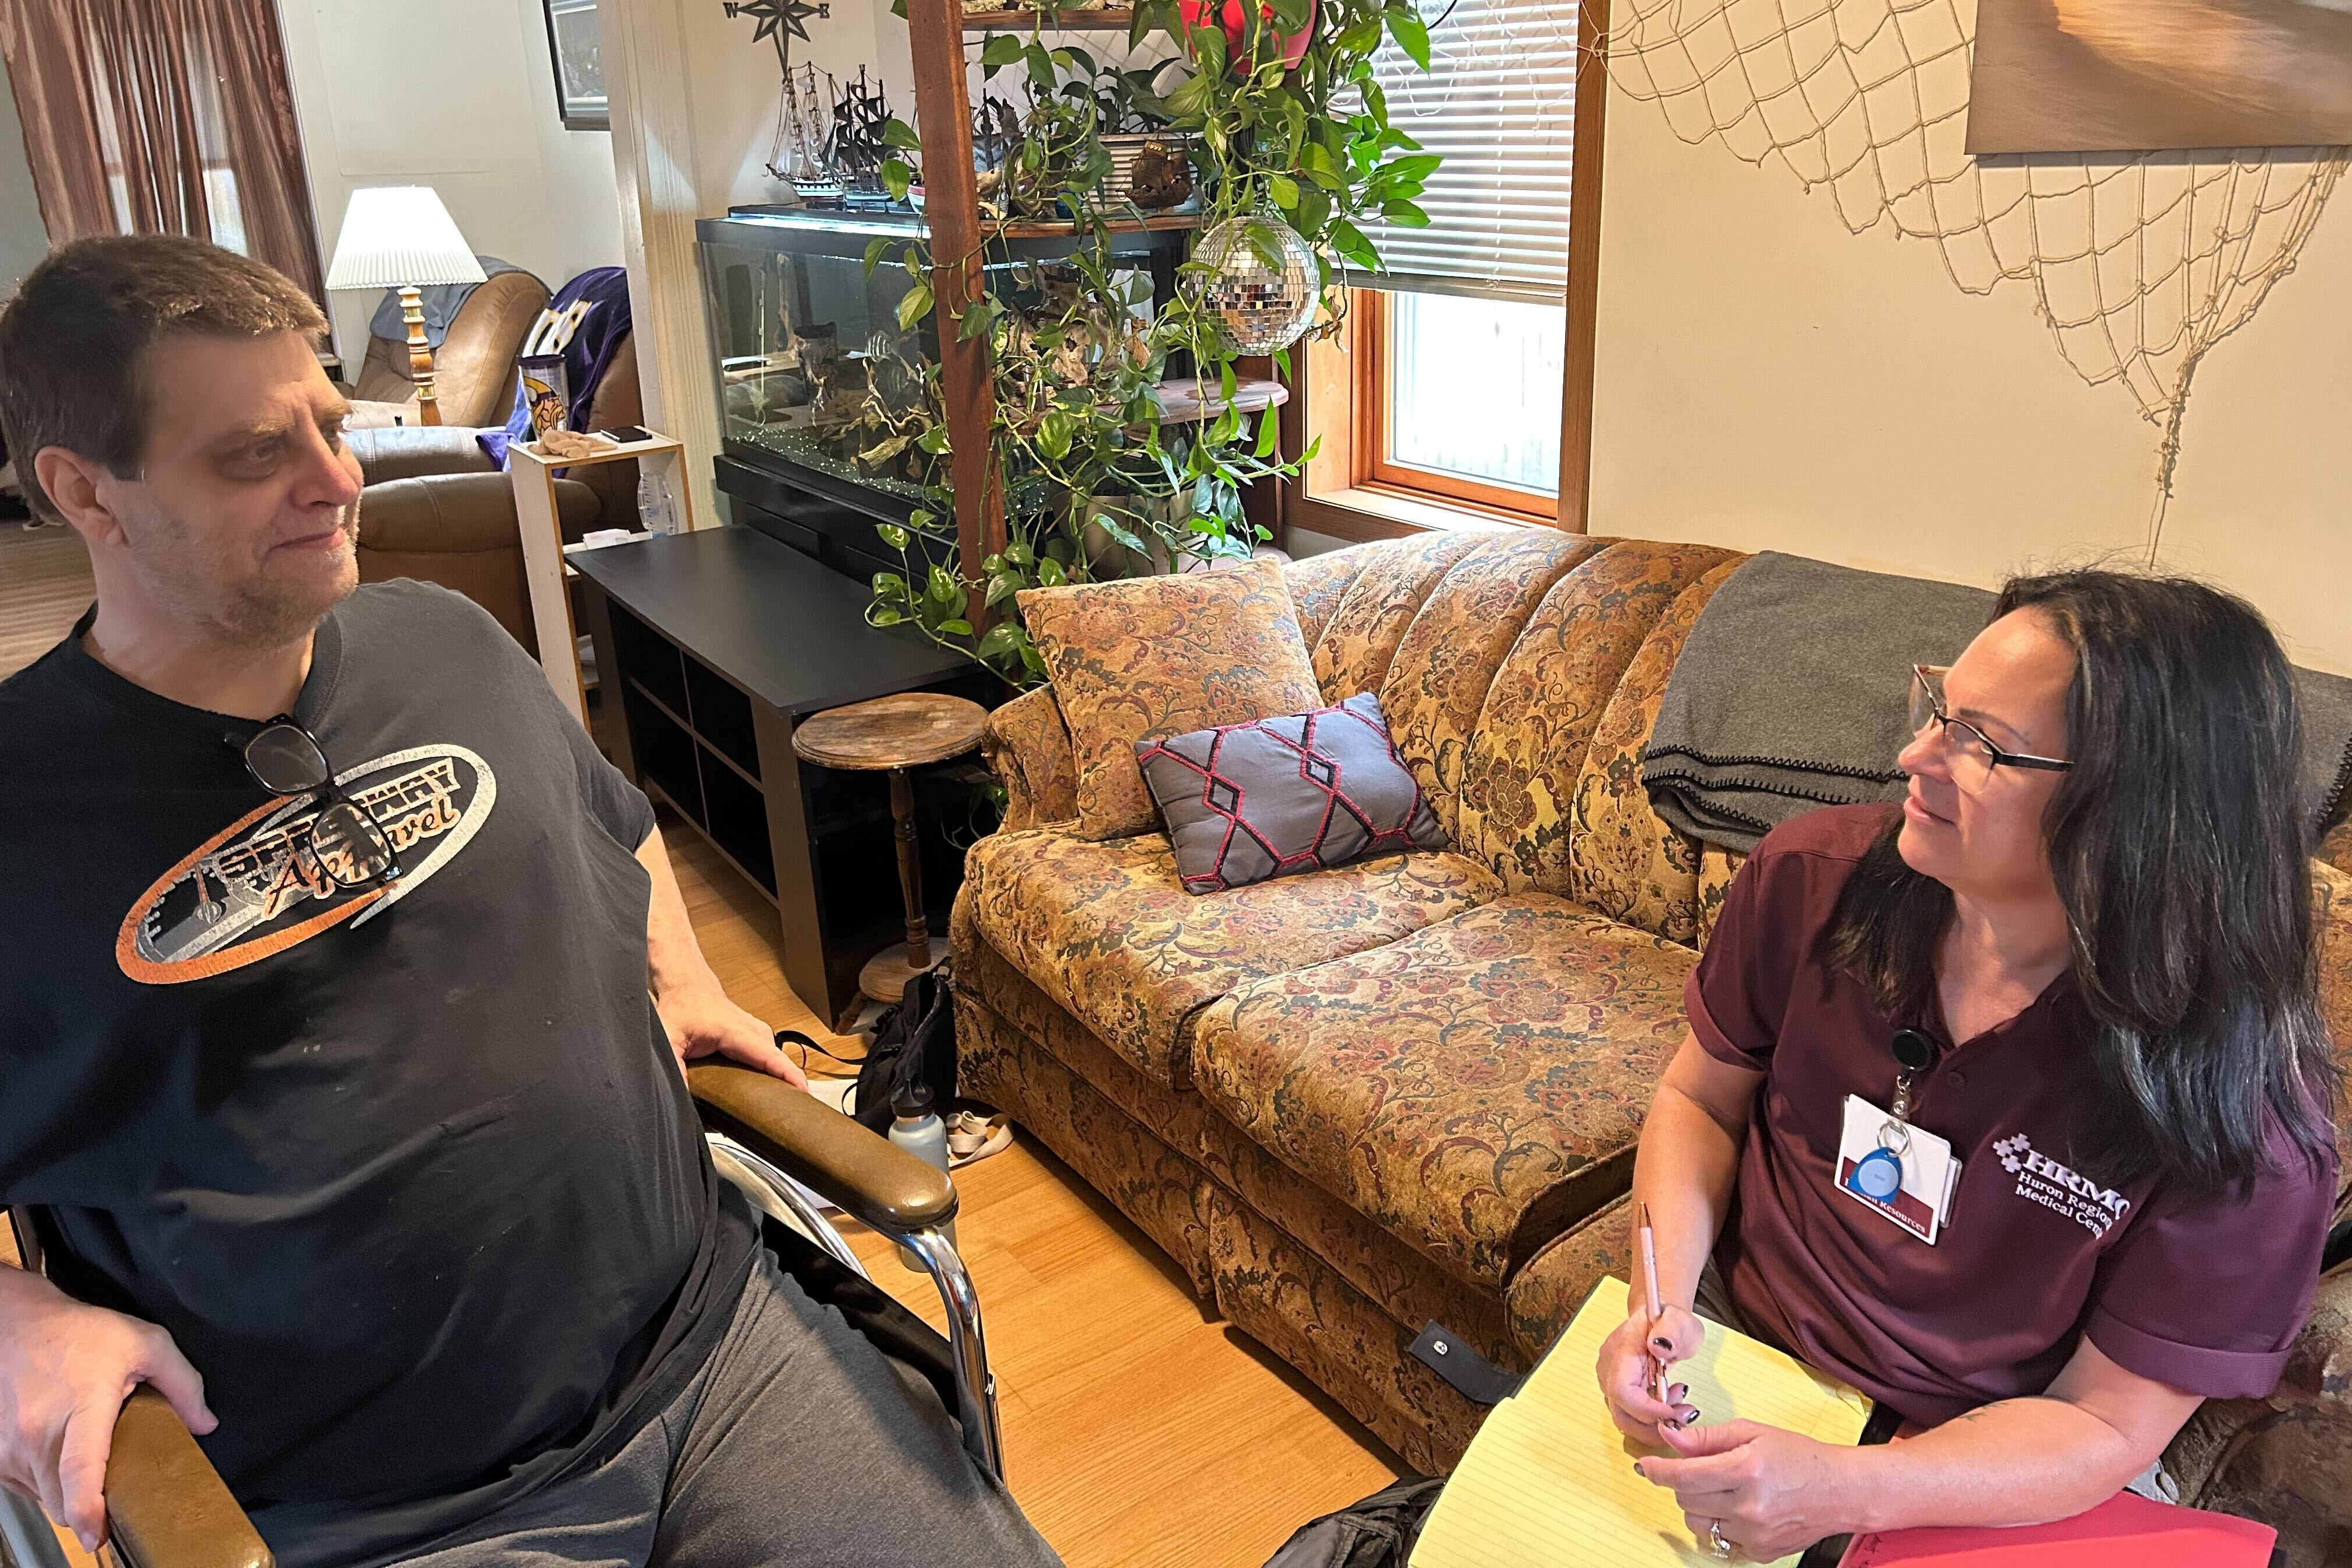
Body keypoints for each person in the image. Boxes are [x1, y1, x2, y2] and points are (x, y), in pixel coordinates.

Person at [0, 236, 1062, 1568]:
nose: (338, 484)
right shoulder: (19, 818)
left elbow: (618, 830)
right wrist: (14, 1330)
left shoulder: (444, 638)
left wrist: (685, 982)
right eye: (252, 454)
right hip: (395, 1514)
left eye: (330, 426)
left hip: (714, 1349)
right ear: (85, 491)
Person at [1597, 570, 2340, 1560]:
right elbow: (1699, 1096)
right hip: (1738, 1342)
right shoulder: (1810, 880)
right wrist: (1661, 1303)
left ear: (2140, 813)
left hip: (1977, 1450)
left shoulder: (2245, 1122)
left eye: (1981, 743)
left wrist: (1844, 1488)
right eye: (1939, 706)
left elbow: (2106, 1424)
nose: (1913, 755)